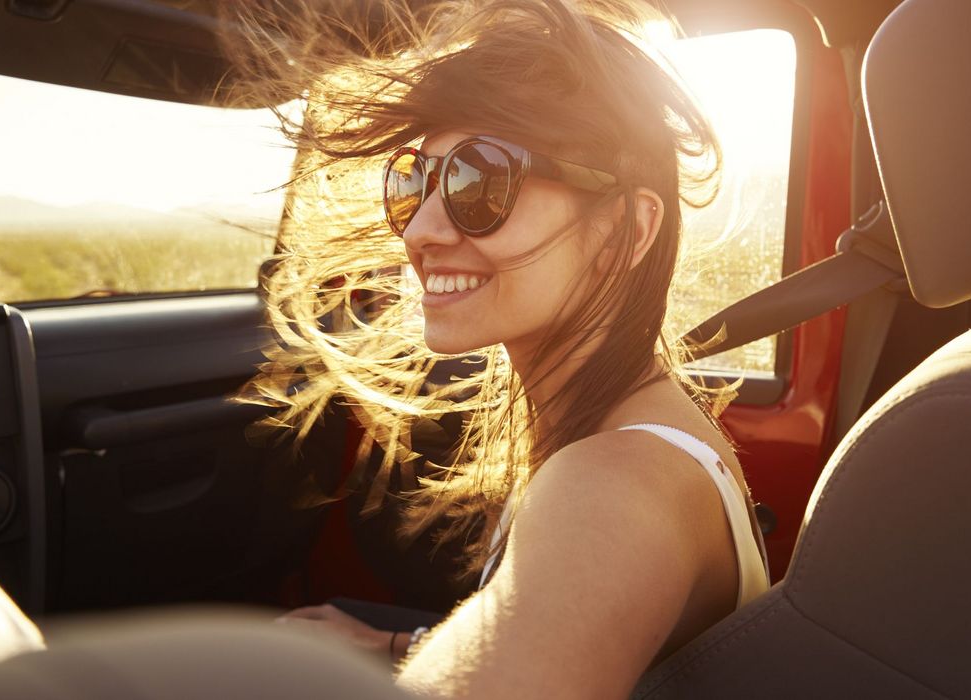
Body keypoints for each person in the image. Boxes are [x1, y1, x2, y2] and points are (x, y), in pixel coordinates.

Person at [223, 0, 770, 697]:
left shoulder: (616, 483)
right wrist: (394, 642)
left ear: (626, 232)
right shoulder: (620, 431)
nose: (419, 230)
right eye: (412, 181)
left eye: (479, 182)